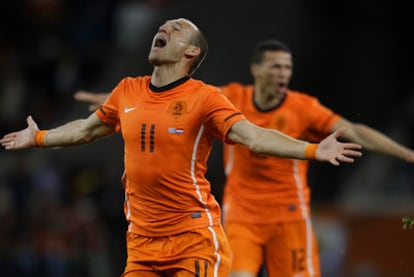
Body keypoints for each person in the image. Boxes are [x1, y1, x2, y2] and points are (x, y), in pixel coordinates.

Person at [0, 19, 362, 277]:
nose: (166, 28)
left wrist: (313, 150)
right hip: (141, 243)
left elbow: (253, 136)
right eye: (164, 26)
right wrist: (40, 137)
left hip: (192, 240)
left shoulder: (203, 98)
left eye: (178, 28)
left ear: (190, 52)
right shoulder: (127, 89)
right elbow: (85, 130)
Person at [71, 38, 414, 277]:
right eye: (275, 67)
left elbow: (354, 130)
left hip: (288, 216)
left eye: (287, 68)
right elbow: (167, 94)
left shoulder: (303, 108)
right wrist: (116, 100)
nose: (282, 74)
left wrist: (407, 154)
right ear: (256, 69)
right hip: (242, 217)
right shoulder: (231, 96)